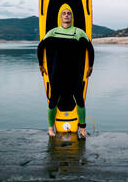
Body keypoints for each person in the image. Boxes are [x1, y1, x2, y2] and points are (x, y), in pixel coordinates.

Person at [37, 8, 94, 137]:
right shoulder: (53, 32)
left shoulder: (79, 32)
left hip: (74, 73)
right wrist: (41, 64)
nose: (66, 15)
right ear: (60, 17)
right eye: (64, 13)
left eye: (69, 13)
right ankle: (51, 128)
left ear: (72, 17)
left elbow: (90, 48)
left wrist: (90, 66)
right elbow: (41, 46)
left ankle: (83, 129)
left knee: (80, 101)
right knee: (53, 101)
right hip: (57, 73)